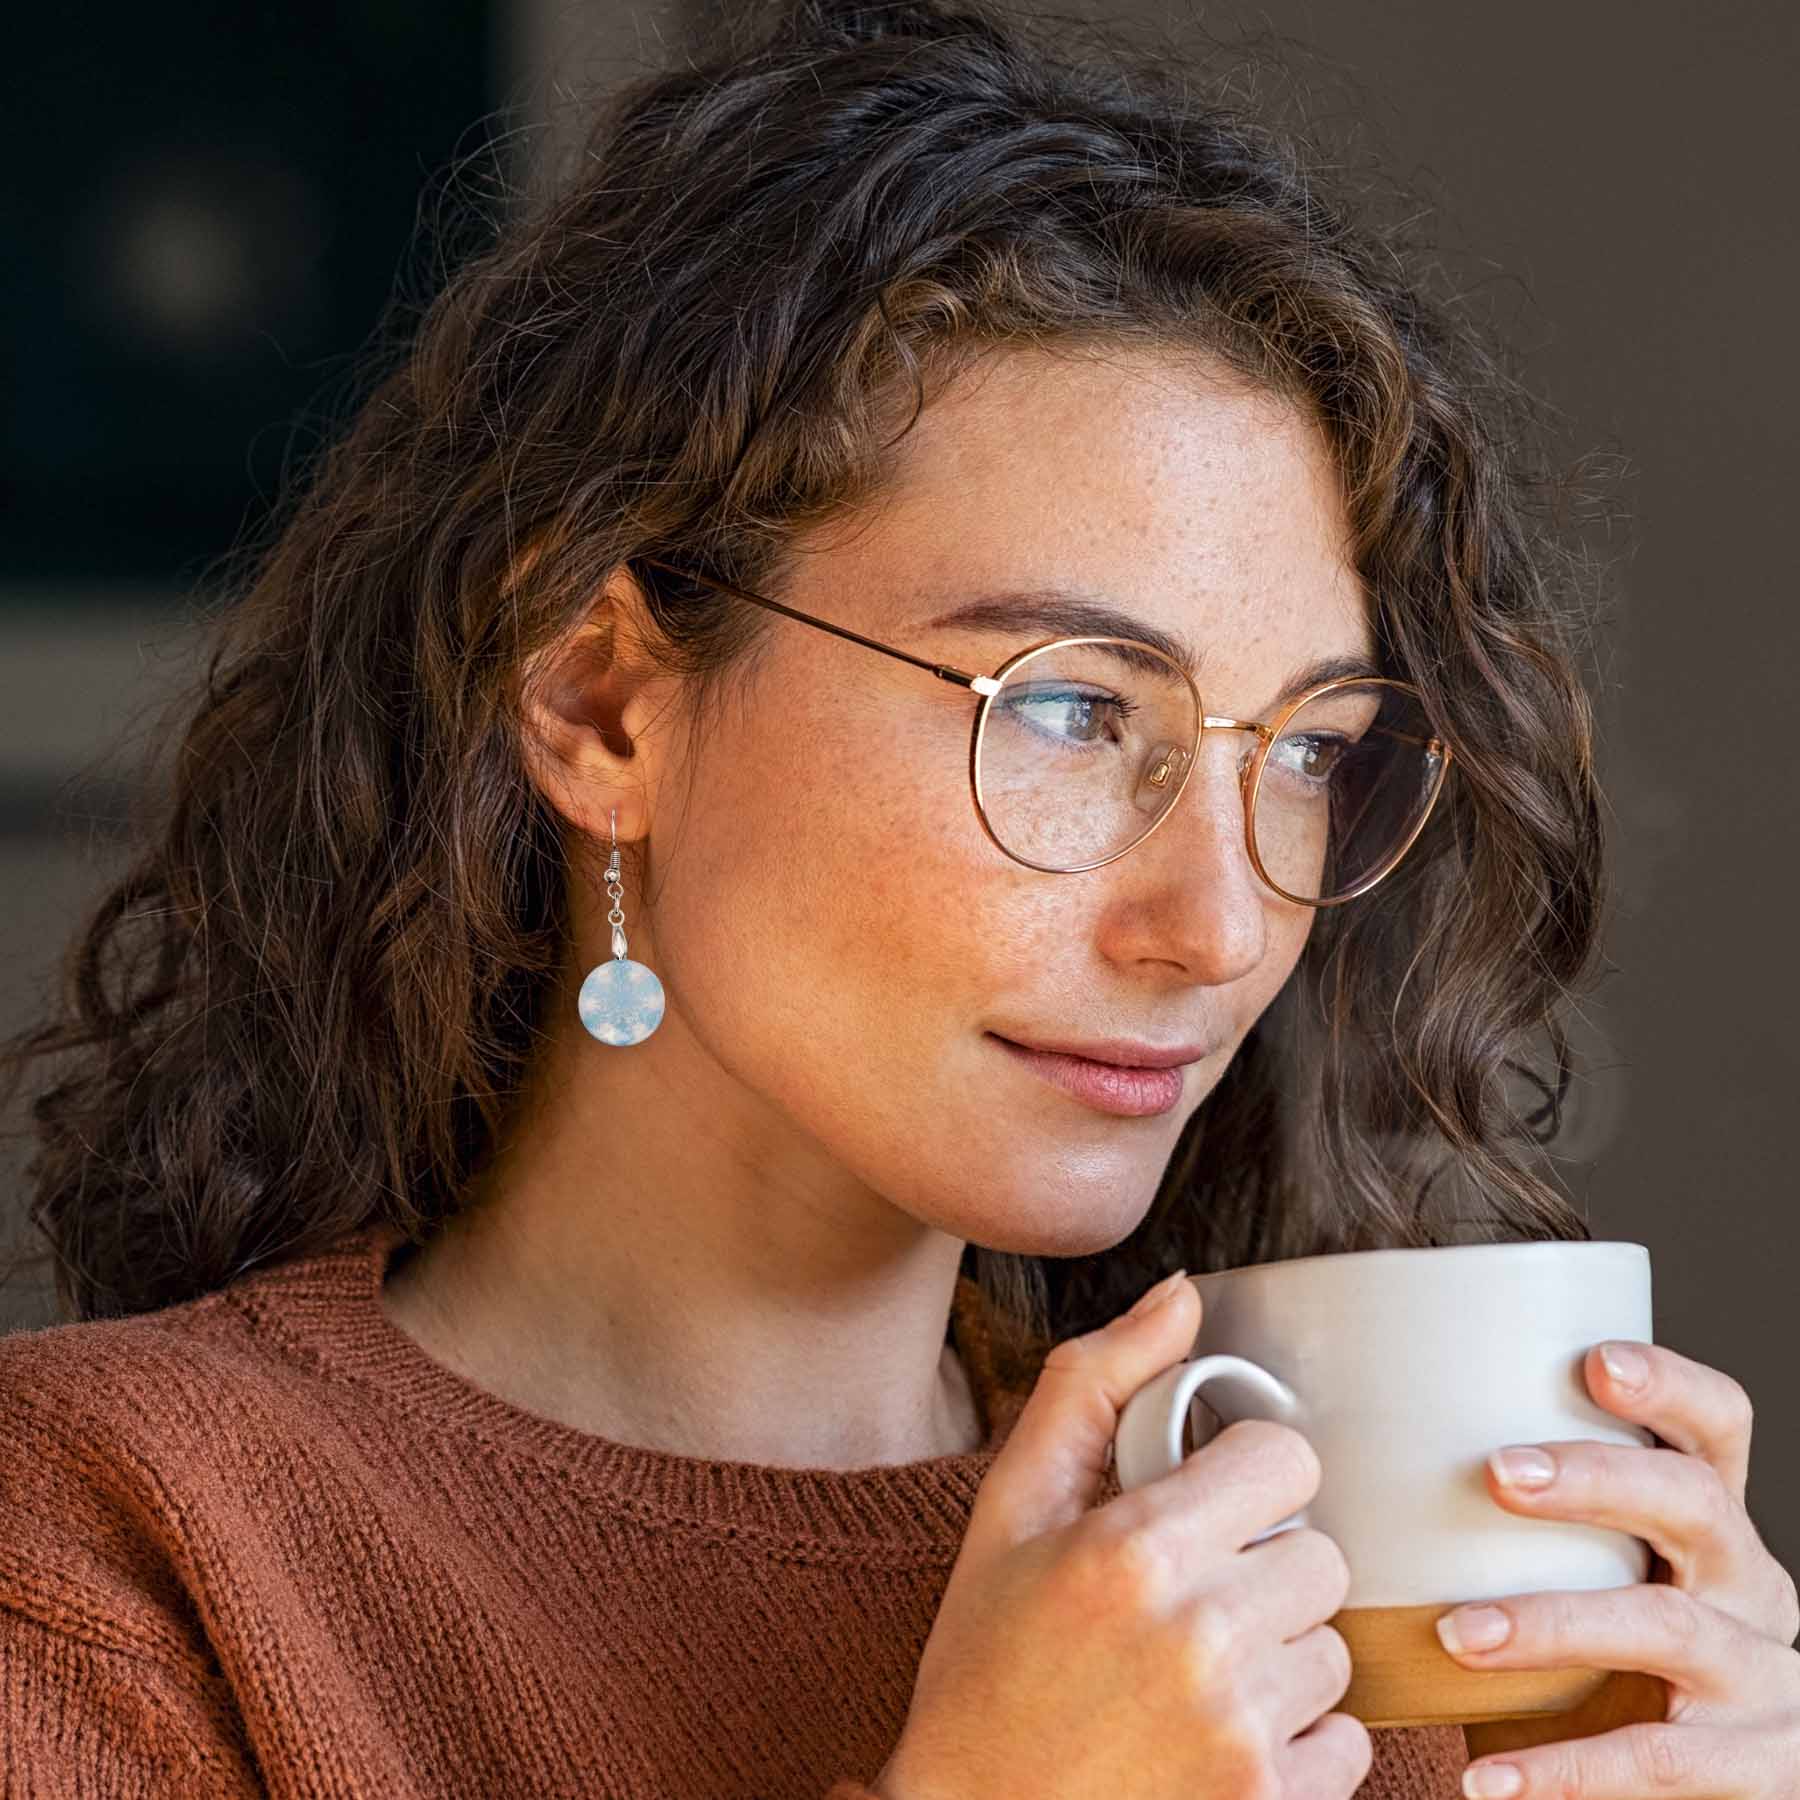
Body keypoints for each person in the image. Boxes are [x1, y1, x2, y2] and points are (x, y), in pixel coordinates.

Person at [0, 0, 1619, 1793]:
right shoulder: (111, 1553)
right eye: (1072, 713)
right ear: (601, 706)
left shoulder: (1342, 1581)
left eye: (1307, 752)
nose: (1221, 931)